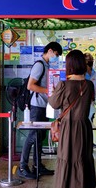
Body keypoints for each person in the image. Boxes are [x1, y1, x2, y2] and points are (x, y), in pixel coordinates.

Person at [48, 49, 96, 188]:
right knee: (81, 160)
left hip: (70, 129)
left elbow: (54, 103)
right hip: (84, 126)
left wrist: (56, 91)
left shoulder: (64, 84)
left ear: (69, 66)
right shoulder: (89, 84)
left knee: (72, 161)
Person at [17, 41, 63, 179]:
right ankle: (22, 166)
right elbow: (31, 86)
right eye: (56, 54)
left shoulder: (46, 65)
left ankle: (37, 165)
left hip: (43, 105)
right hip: (36, 105)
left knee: (40, 137)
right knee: (33, 135)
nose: (56, 57)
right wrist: (48, 91)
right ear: (49, 50)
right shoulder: (39, 65)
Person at [84, 53, 96, 148]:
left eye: (90, 59)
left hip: (91, 102)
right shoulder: (82, 74)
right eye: (87, 59)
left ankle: (90, 142)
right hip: (83, 103)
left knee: (90, 123)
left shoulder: (94, 73)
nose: (89, 61)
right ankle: (85, 142)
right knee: (84, 123)